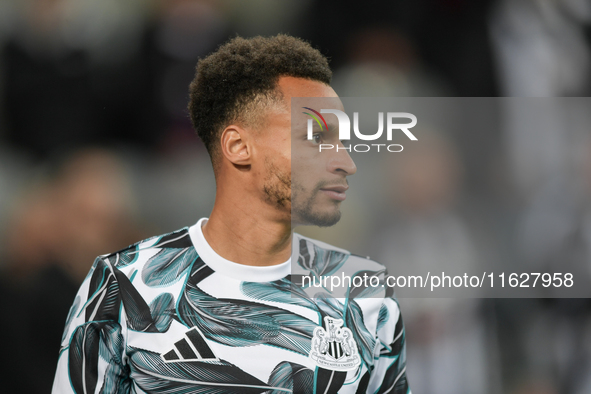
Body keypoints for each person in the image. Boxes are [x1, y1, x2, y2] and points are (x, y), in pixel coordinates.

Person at [52, 34, 410, 393]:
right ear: (239, 147)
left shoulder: (366, 293)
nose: (345, 163)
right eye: (316, 139)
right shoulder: (124, 285)